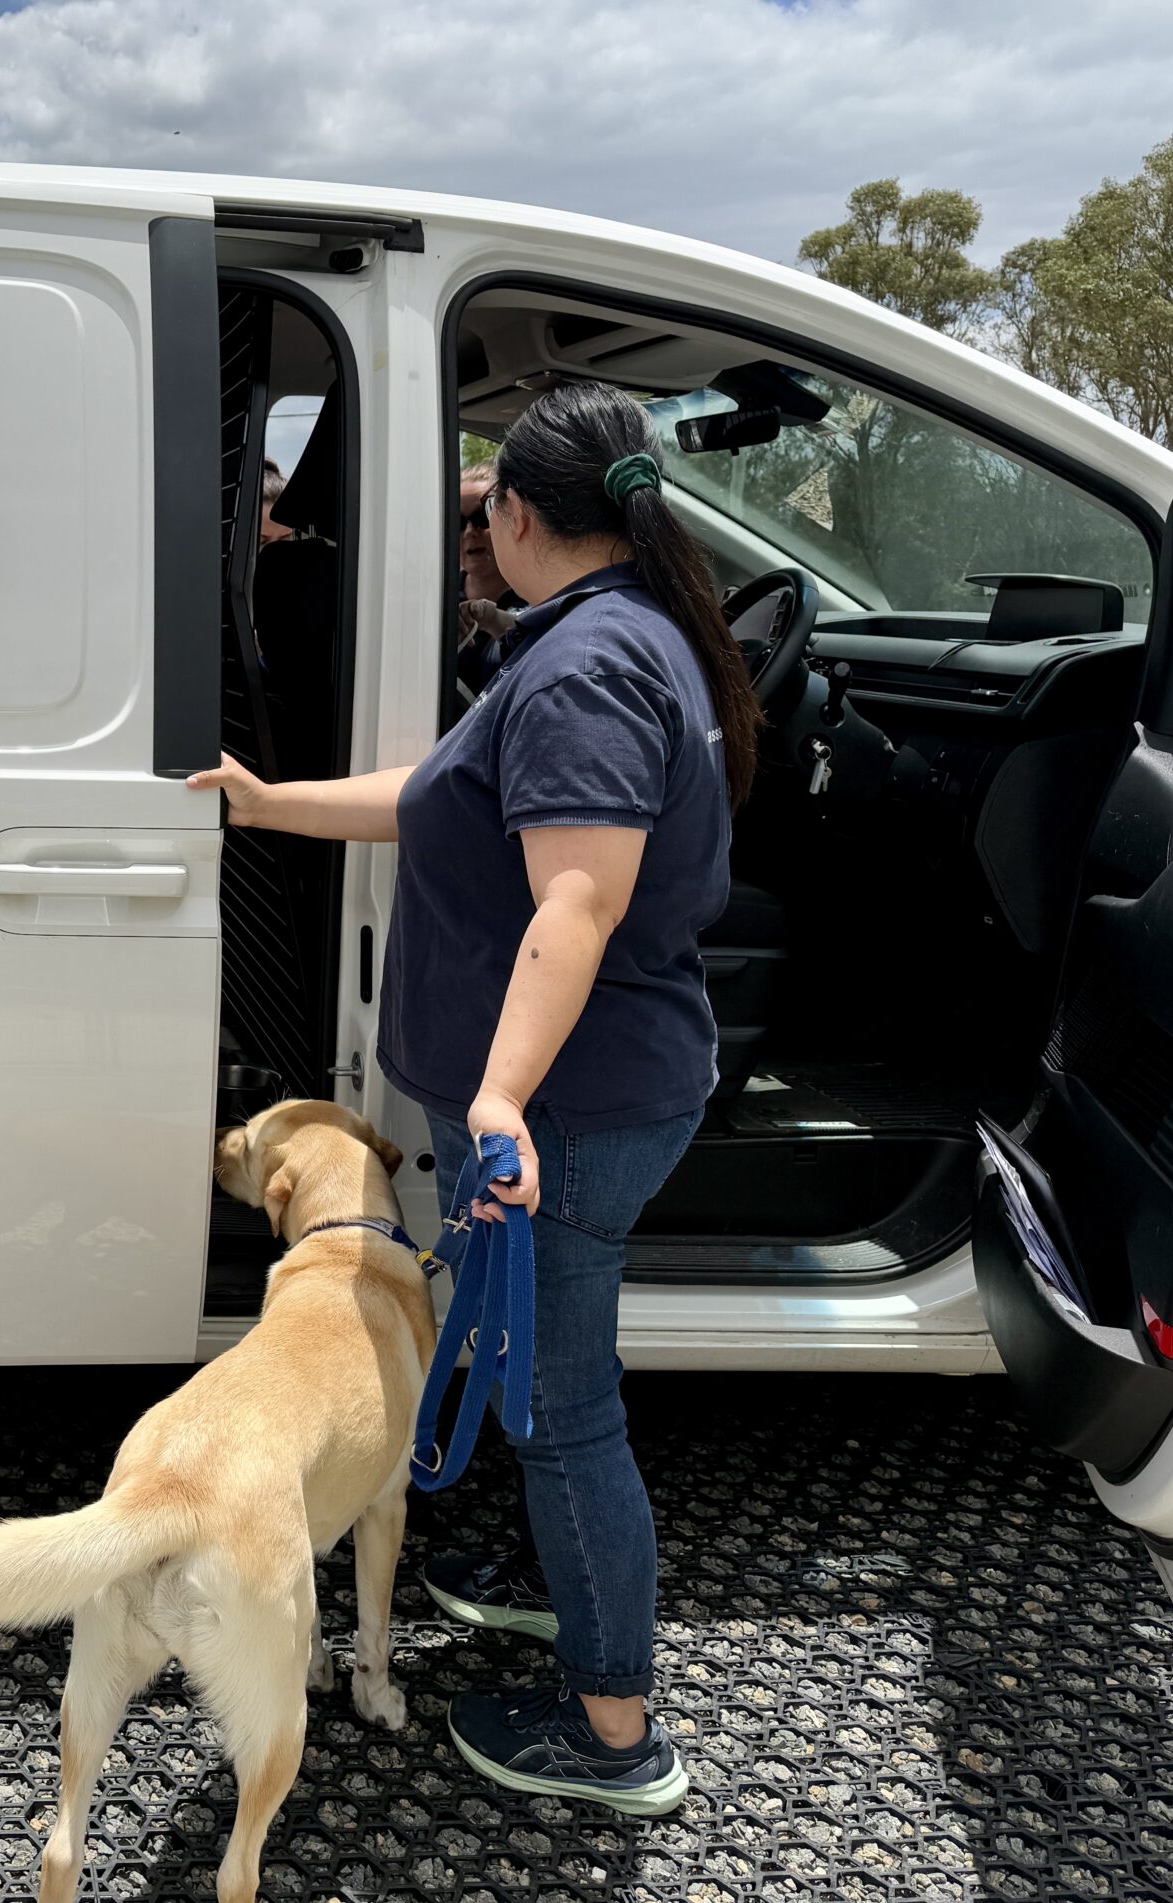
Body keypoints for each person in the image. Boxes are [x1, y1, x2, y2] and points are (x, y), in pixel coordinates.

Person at [188, 379, 761, 1815]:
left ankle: (615, 1731)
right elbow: (445, 788)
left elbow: (576, 896)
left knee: (566, 1412)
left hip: (565, 1110)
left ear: (513, 518)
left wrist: (499, 1097)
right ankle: (542, 1581)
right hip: (588, 1095)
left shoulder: (580, 671)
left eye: (480, 510)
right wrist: (274, 802)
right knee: (541, 1385)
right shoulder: (614, 638)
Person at [455, 460, 520, 695]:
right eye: (458, 522)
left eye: (482, 518)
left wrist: (496, 622)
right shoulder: (434, 602)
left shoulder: (539, 598)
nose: (470, 532)